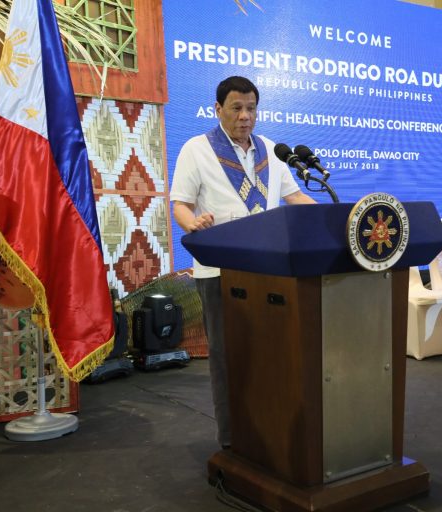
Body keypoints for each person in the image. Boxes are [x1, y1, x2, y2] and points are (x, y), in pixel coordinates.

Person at [169, 76, 315, 447]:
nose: (245, 116)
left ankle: (271, 430)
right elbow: (180, 206)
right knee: (227, 356)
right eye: (236, 108)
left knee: (273, 353)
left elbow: (295, 198)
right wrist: (193, 224)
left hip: (269, 271)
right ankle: (233, 441)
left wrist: (339, 217)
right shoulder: (196, 149)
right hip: (219, 271)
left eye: (251, 108)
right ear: (218, 109)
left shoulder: (270, 151)